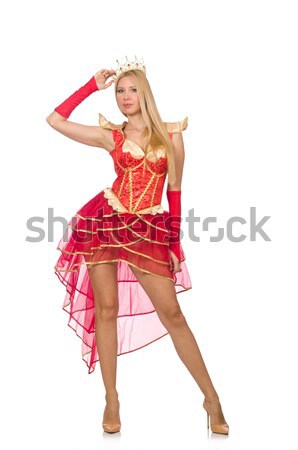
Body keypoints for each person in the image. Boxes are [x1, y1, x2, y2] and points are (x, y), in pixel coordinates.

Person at [46, 57, 229, 435]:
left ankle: (211, 398)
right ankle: (111, 399)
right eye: (119, 91)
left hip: (149, 228)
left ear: (144, 94)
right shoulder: (111, 135)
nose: (125, 97)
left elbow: (175, 192)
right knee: (107, 309)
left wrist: (175, 244)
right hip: (107, 222)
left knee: (173, 314)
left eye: (131, 90)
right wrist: (89, 86)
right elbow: (55, 120)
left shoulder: (171, 135)